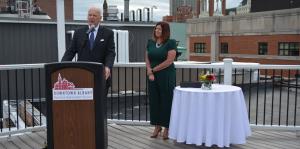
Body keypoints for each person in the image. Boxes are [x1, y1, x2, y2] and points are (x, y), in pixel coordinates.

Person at [61, 6, 116, 94]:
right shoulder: (79, 33)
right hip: (82, 75)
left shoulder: (108, 33)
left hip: (100, 75)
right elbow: (70, 51)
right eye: (90, 15)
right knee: (84, 105)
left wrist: (108, 67)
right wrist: (62, 66)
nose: (91, 17)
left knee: (99, 105)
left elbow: (110, 53)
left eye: (94, 15)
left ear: (100, 18)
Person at [145, 21, 177, 140]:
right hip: (152, 75)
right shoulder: (150, 42)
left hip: (166, 75)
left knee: (166, 100)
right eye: (156, 29)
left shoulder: (171, 43)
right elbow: (147, 58)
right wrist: (149, 70)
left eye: (160, 29)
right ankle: (157, 127)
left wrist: (153, 70)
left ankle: (167, 128)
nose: (157, 31)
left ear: (165, 31)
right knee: (154, 100)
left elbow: (169, 61)